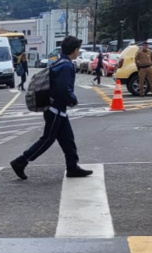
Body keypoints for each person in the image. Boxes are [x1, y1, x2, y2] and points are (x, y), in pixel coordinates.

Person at [10, 36, 93, 180]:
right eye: (78, 50)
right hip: (55, 110)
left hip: (56, 109)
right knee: (47, 139)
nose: (78, 52)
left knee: (68, 139)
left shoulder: (60, 62)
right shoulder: (66, 66)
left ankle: (72, 167)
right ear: (74, 50)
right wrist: (72, 100)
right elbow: (63, 89)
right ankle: (21, 161)